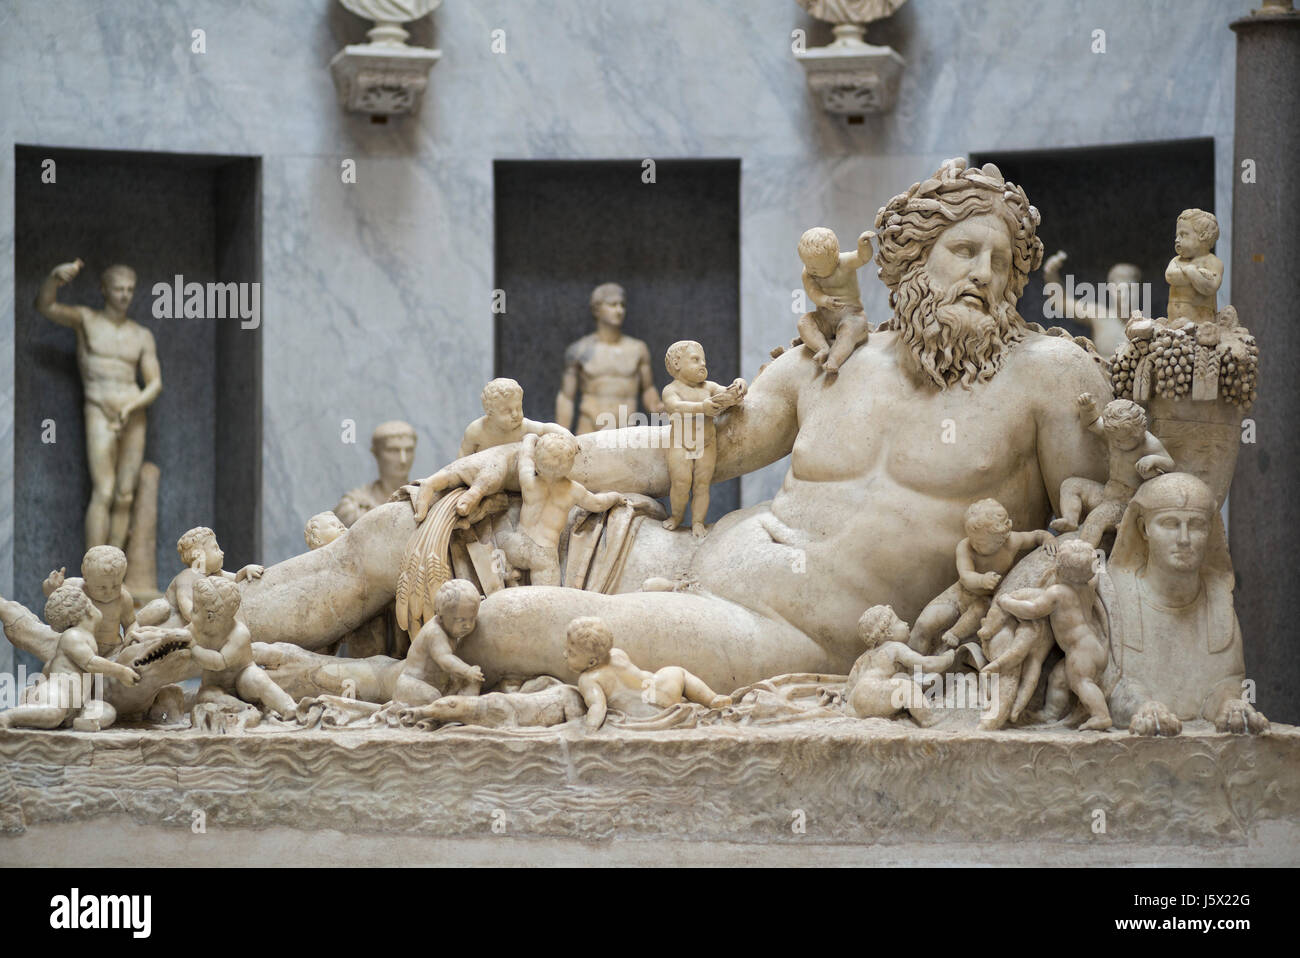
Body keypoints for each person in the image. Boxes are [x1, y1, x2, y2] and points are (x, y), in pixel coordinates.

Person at [234, 159, 1111, 693]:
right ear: (911, 264)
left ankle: (362, 684)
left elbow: (1090, 534)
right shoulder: (832, 362)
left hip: (788, 636)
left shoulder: (1047, 377)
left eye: (1003, 262)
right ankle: (192, 632)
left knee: (512, 615)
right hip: (684, 558)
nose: (985, 275)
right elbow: (687, 448)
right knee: (407, 528)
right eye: (965, 251)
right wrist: (522, 460)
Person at [1101, 473, 1267, 736]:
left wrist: (1230, 704)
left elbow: (1224, 683)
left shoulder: (1218, 600)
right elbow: (1113, 685)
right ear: (1144, 529)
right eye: (1170, 524)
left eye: (1197, 525)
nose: (1184, 539)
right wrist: (1143, 707)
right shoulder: (1118, 595)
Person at [36, 259, 162, 550]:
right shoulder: (86, 319)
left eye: (130, 289)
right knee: (104, 491)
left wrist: (132, 406)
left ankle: (114, 571)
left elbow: (155, 383)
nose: (124, 295)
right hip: (99, 409)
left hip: (133, 412)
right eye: (118, 288)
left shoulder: (141, 335)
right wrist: (54, 279)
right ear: (104, 290)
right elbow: (45, 306)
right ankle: (94, 568)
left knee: (125, 494)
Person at [909, 498, 1054, 653]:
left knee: (979, 610)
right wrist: (981, 580)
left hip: (986, 600)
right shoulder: (966, 547)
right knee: (924, 624)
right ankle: (911, 666)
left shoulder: (1012, 542)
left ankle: (954, 634)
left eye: (981, 543)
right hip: (960, 593)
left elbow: (1036, 536)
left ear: (1001, 538)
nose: (974, 545)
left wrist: (1049, 538)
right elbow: (965, 576)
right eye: (972, 540)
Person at [0, 584, 139, 731]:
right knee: (54, 713)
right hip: (55, 696)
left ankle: (84, 721)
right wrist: (121, 672)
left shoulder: (83, 637)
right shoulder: (73, 636)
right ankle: (8, 717)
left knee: (107, 710)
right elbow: (91, 664)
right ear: (89, 611)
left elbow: (50, 665)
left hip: (75, 706)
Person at [498, 432, 627, 586]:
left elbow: (525, 455)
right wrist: (616, 496)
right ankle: (513, 578)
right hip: (544, 554)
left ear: (537, 461)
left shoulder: (528, 480)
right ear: (570, 465)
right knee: (548, 597)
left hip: (518, 543)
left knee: (497, 544)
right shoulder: (573, 490)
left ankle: (508, 573)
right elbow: (598, 504)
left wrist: (530, 438)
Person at [1050, 393, 1174, 547]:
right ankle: (1071, 520)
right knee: (1070, 485)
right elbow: (1093, 423)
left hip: (1126, 503)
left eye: (1120, 441)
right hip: (1107, 493)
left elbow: (1170, 464)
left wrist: (1153, 459)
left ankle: (1081, 553)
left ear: (1138, 434)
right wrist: (1087, 408)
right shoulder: (1116, 434)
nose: (1115, 443)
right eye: (1113, 439)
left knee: (1097, 518)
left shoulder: (1149, 444)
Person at [659, 341, 746, 535]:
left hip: (706, 444)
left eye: (704, 360)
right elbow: (675, 407)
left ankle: (698, 522)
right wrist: (702, 408)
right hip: (680, 444)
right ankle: (677, 516)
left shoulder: (709, 387)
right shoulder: (671, 389)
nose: (702, 364)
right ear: (676, 364)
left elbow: (728, 393)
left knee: (702, 485)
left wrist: (740, 385)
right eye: (695, 360)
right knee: (681, 484)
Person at [555, 283, 663, 434]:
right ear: (597, 309)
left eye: (622, 305)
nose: (619, 310)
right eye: (613, 305)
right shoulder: (579, 350)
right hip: (590, 428)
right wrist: (561, 434)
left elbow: (648, 389)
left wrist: (659, 410)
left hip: (627, 431)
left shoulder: (638, 349)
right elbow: (566, 398)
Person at [393, 579, 484, 706]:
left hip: (439, 683)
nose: (468, 625)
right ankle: (448, 712)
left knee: (472, 680)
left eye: (472, 619)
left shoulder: (451, 630)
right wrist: (467, 671)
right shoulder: (435, 632)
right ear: (441, 616)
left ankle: (461, 707)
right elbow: (445, 659)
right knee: (433, 697)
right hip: (412, 684)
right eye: (461, 620)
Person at [796, 227, 872, 373]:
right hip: (824, 317)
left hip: (852, 315)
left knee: (849, 331)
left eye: (817, 267)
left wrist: (864, 245)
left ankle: (834, 360)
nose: (812, 270)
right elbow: (812, 292)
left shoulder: (845, 262)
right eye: (808, 265)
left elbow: (862, 258)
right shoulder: (808, 273)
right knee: (804, 323)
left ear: (834, 257)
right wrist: (824, 300)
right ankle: (822, 347)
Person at [40, 545, 136, 656]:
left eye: (116, 586)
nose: (109, 592)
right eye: (102, 587)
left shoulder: (123, 598)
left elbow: (131, 623)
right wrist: (52, 586)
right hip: (80, 647)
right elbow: (52, 594)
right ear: (86, 578)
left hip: (113, 649)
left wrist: (132, 636)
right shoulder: (77, 587)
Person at [335, 421, 418, 527]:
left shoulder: (424, 502)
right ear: (376, 453)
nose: (403, 459)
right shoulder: (353, 507)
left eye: (409, 450)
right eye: (393, 450)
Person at [459, 378, 566, 457]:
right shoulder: (476, 431)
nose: (515, 414)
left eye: (518, 408)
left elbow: (545, 428)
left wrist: (566, 436)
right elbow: (462, 458)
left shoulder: (523, 426)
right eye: (507, 411)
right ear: (490, 412)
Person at [1165, 209, 1222, 326]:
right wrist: (1194, 273)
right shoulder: (1176, 260)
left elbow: (1210, 287)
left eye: (1183, 235)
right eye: (1177, 235)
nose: (1176, 240)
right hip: (1174, 324)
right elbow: (1170, 276)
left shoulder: (1212, 262)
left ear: (1203, 236)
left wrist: (1190, 271)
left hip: (1201, 327)